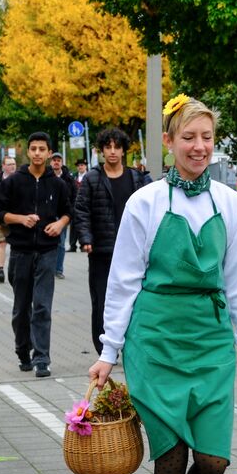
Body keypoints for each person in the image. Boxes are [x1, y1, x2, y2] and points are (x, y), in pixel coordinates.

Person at [88, 96, 237, 474]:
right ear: (168, 142)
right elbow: (123, 279)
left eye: (206, 137)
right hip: (155, 338)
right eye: (188, 137)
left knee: (213, 458)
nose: (199, 146)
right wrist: (109, 351)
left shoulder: (229, 203)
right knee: (170, 455)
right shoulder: (145, 202)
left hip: (209, 339)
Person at [0, 133, 72, 378]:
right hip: (21, 252)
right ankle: (22, 350)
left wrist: (60, 224)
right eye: (34, 149)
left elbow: (68, 211)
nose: (37, 153)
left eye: (42, 149)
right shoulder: (13, 182)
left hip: (48, 251)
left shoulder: (58, 184)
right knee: (21, 309)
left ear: (49, 153)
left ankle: (42, 358)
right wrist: (21, 219)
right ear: (28, 152)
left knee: (42, 307)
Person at [73, 127, 139, 354]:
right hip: (101, 250)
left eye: (117, 147)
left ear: (123, 150)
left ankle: (130, 344)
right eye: (108, 147)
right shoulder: (92, 178)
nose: (112, 151)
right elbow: (81, 210)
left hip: (131, 251)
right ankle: (104, 348)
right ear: (101, 150)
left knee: (133, 299)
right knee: (102, 300)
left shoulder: (136, 178)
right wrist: (86, 238)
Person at [0, 156, 18, 282]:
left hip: (16, 217)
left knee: (17, 245)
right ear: (3, 166)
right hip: (0, 217)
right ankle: (0, 270)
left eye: (14, 164)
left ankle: (15, 269)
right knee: (1, 242)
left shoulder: (20, 179)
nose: (12, 166)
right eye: (9, 164)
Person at [50, 152, 75, 279]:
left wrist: (70, 212)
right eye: (54, 160)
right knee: (47, 243)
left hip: (63, 216)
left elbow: (74, 196)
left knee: (60, 243)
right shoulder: (45, 176)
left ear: (62, 162)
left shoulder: (68, 179)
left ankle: (58, 269)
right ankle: (47, 268)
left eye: (58, 160)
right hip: (48, 215)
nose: (56, 162)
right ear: (50, 162)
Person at [70, 160, 88, 251]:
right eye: (78, 165)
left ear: (85, 166)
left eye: (82, 165)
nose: (80, 167)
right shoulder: (73, 176)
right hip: (74, 204)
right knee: (73, 226)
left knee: (83, 225)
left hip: (86, 204)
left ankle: (83, 245)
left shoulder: (89, 176)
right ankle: (72, 246)